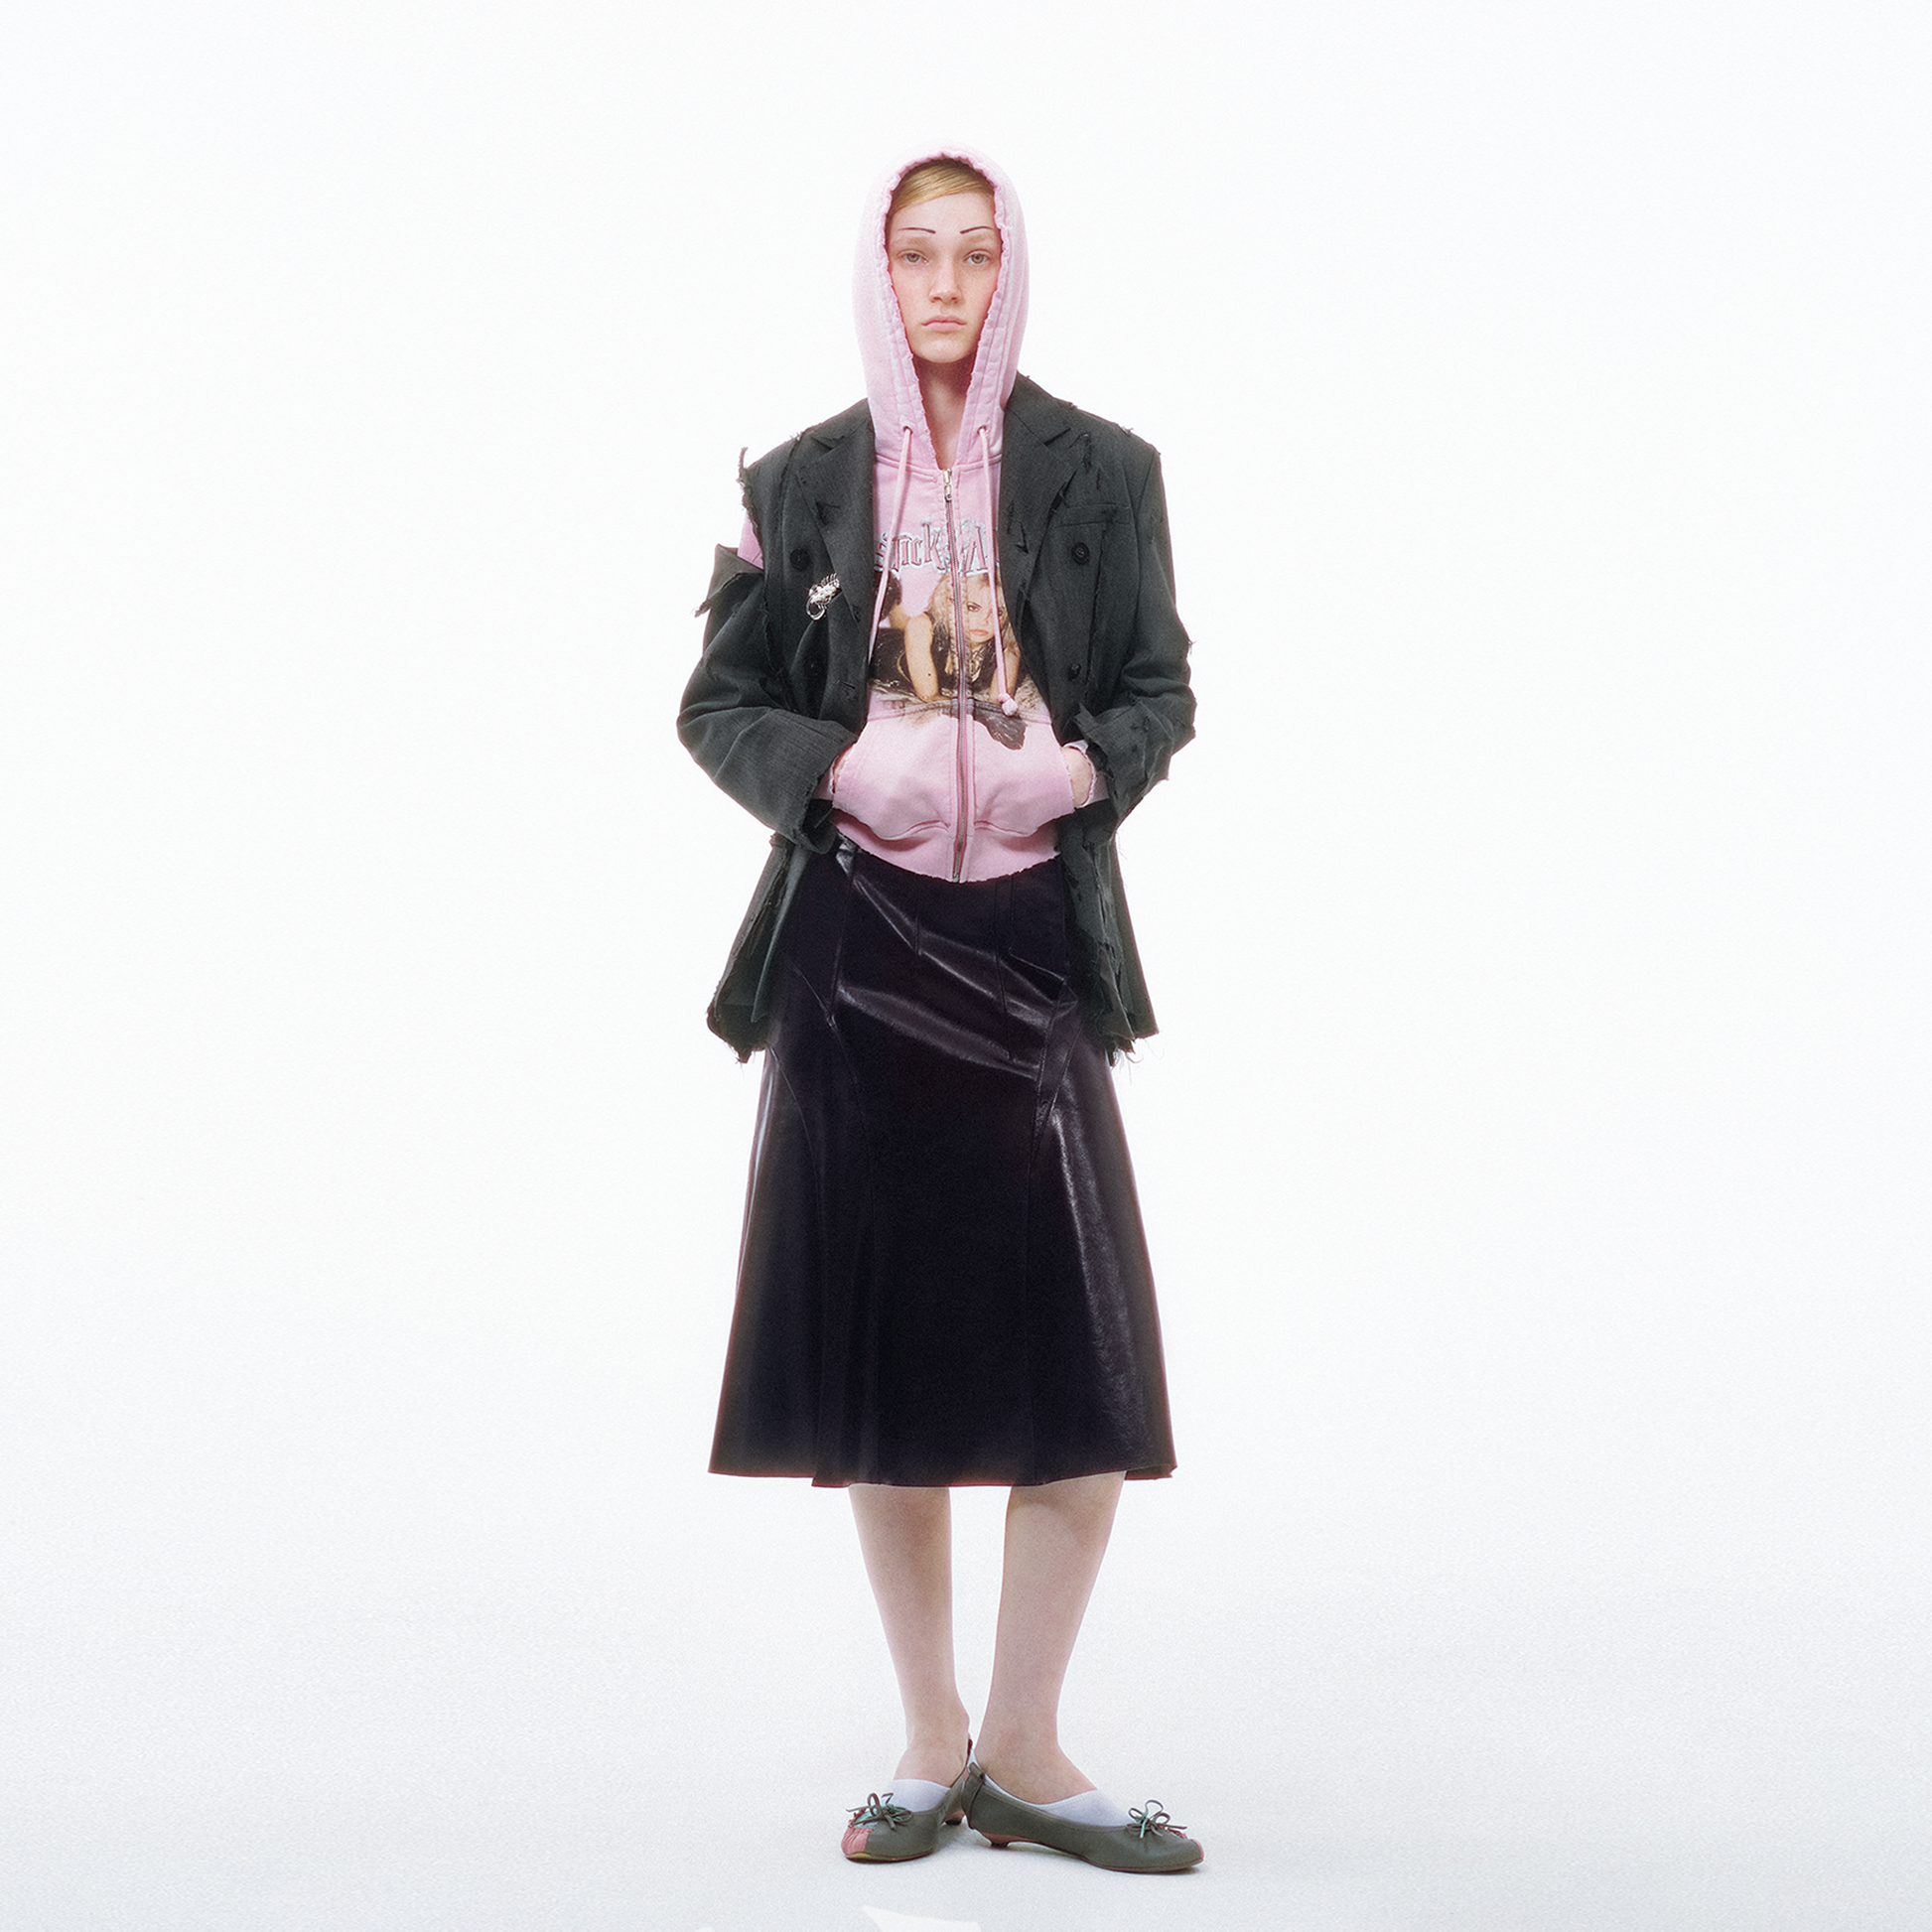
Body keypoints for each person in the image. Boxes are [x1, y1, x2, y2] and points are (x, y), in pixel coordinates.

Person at [678, 148, 1200, 1875]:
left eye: (977, 251)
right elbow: (716, 703)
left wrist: (1075, 771)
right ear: (878, 270)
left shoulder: (1104, 469)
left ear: (1011, 267)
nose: (949, 285)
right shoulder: (796, 481)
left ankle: (1026, 1747)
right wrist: (839, 771)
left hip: (1035, 939)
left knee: (1083, 1357)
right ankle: (928, 1738)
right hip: (855, 949)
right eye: (919, 253)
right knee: (884, 1360)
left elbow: (1160, 688)